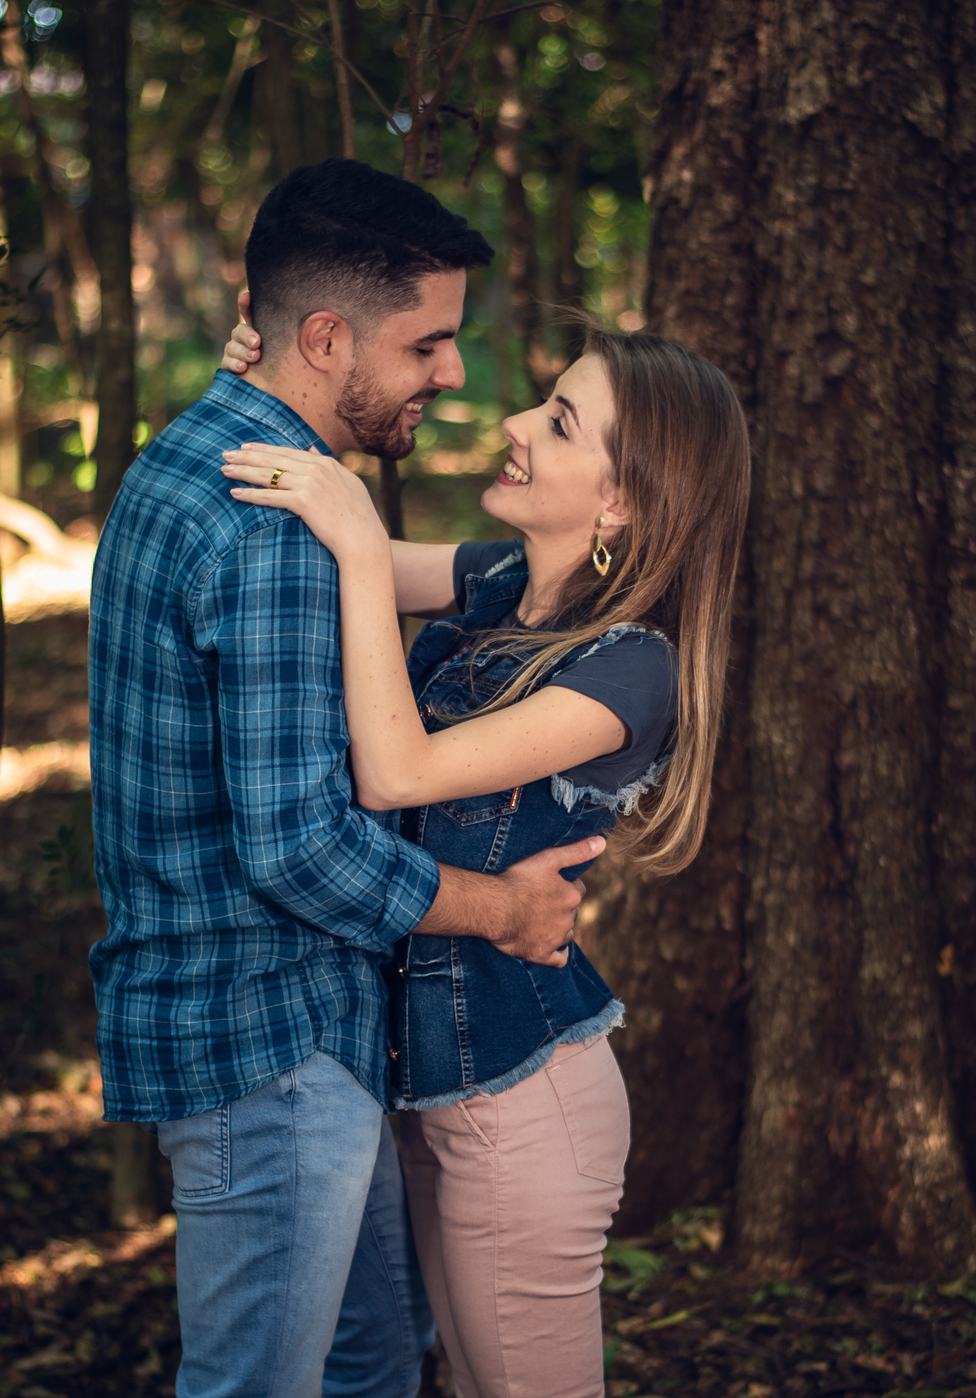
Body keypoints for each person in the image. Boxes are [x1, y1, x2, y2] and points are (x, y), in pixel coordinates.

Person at [88, 160, 604, 1398]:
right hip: (266, 1041)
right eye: (427, 344)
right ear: (324, 338)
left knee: (374, 1363)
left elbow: (473, 576)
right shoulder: (276, 529)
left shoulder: (200, 453)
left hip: (277, 1026)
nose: (455, 375)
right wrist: (507, 910)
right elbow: (302, 848)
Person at [217, 306, 752, 1398]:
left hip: (523, 1103)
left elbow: (398, 772)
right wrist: (264, 390)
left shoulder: (631, 671)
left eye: (557, 422)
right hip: (434, 1088)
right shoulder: (506, 582)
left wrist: (358, 536)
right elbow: (316, 536)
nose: (514, 422)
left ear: (619, 501)